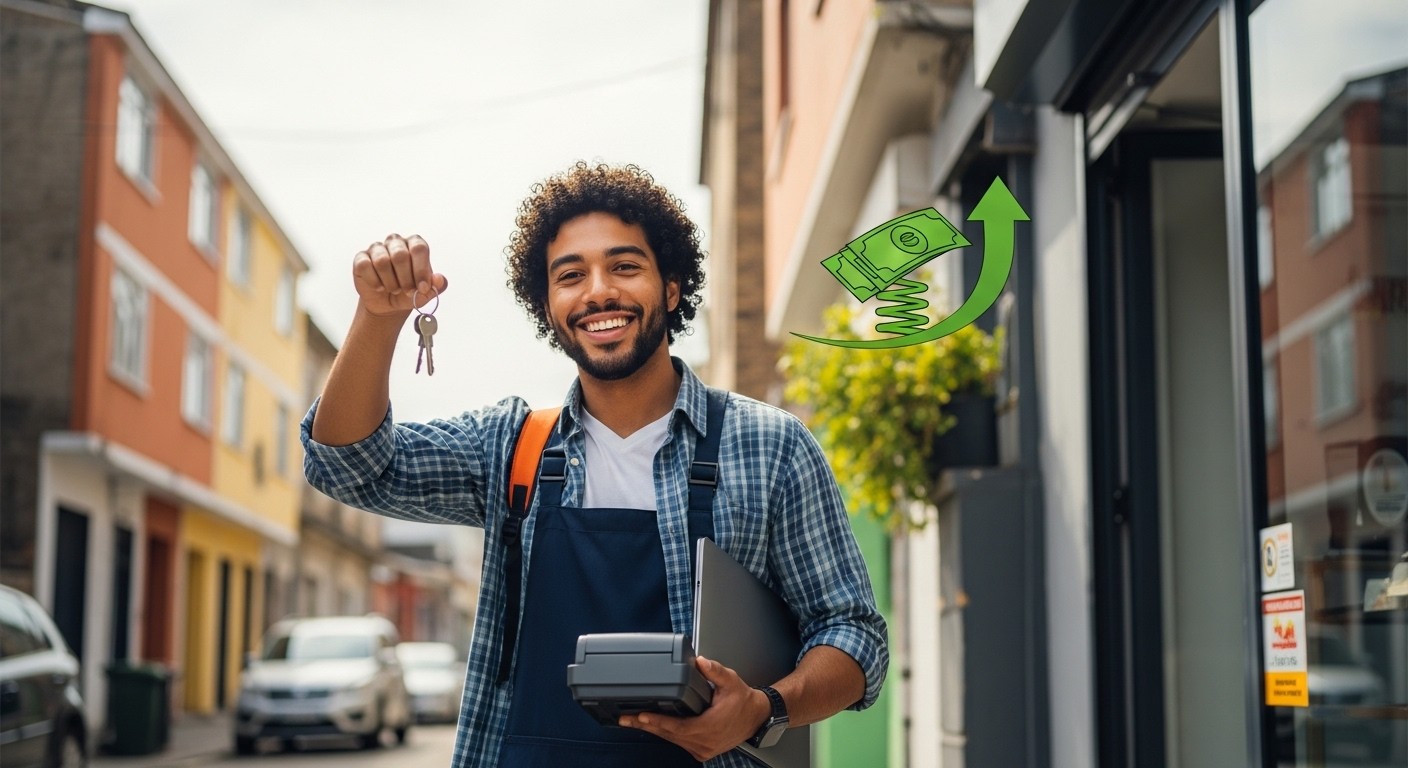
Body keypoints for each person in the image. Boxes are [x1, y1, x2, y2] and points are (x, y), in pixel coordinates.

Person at [301, 162, 888, 767]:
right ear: (548, 304)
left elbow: (853, 636)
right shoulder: (510, 447)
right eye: (570, 275)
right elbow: (347, 466)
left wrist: (764, 710)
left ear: (671, 288)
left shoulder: (771, 446)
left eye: (625, 266)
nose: (598, 291)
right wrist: (378, 316)